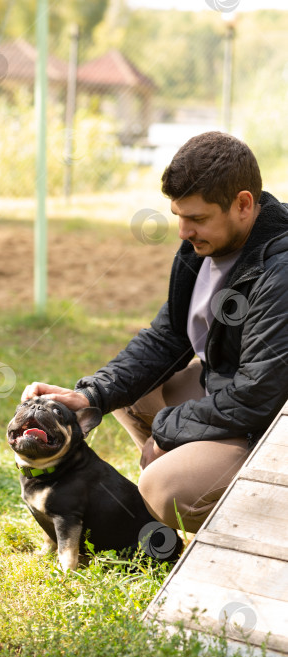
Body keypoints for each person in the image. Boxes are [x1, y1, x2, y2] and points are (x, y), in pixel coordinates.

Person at [22, 131, 288, 533]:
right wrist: (91, 394)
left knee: (165, 492)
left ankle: (261, 504)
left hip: (272, 424)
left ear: (243, 204)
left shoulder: (280, 272)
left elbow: (259, 396)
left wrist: (168, 430)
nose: (183, 231)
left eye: (196, 218)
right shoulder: (204, 248)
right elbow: (167, 337)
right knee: (131, 393)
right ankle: (199, 466)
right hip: (232, 394)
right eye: (179, 216)